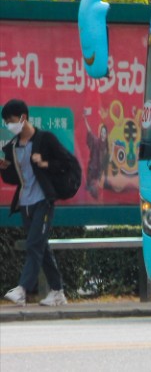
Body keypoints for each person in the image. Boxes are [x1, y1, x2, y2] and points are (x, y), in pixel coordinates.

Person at [0, 99, 75, 307]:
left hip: (43, 200)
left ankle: (22, 290)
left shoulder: (45, 139)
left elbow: (67, 163)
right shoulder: (12, 146)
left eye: (11, 120)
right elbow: (15, 178)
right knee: (41, 246)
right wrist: (4, 168)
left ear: (23, 118)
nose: (9, 125)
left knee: (34, 244)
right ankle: (58, 291)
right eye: (6, 122)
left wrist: (45, 163)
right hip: (25, 204)